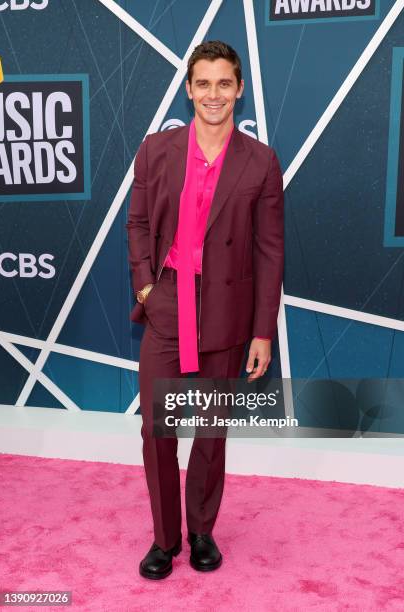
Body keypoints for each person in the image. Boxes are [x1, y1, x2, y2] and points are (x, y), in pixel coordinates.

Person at [126, 40, 284, 580]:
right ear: (188, 88)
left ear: (239, 89)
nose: (212, 94)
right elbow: (139, 224)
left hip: (227, 317)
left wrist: (263, 331)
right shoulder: (154, 150)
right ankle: (164, 539)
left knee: (211, 433)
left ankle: (200, 532)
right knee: (158, 431)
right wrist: (146, 288)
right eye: (203, 83)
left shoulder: (261, 161)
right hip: (167, 308)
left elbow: (269, 249)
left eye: (223, 83)